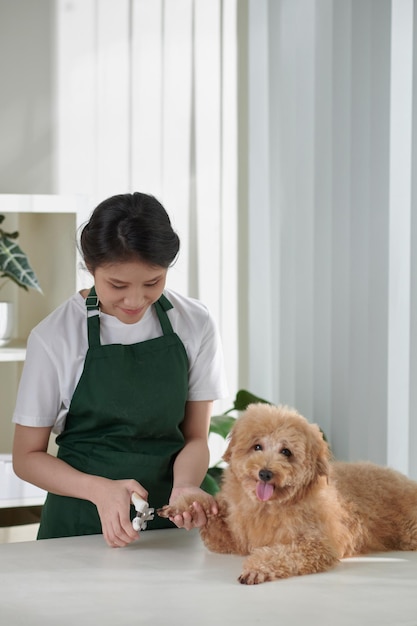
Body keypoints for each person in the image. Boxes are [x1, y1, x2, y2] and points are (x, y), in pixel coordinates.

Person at [12, 192, 228, 547]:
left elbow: (195, 437)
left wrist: (186, 486)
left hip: (174, 527)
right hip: (80, 526)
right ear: (89, 265)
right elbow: (27, 457)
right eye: (117, 285)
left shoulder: (195, 323)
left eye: (152, 283)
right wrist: (99, 490)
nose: (135, 301)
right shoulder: (55, 336)